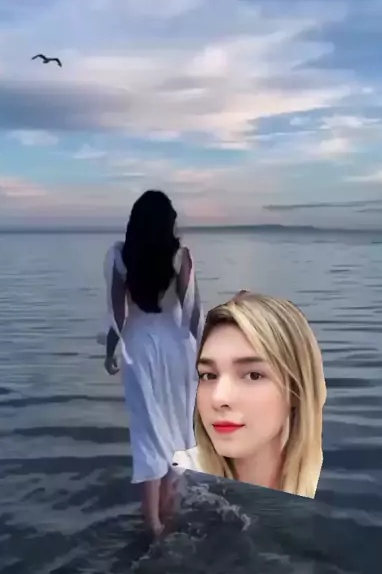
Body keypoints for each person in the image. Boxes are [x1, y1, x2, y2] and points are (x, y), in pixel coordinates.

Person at [103, 190, 204, 538]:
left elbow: (118, 314)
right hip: (178, 350)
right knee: (176, 431)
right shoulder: (180, 256)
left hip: (139, 350)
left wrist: (110, 352)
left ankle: (152, 524)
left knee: (148, 435)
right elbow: (193, 313)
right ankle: (167, 512)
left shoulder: (120, 256)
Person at [173, 290, 326, 499]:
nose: (219, 398)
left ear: (297, 390)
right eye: (209, 375)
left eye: (253, 375)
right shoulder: (177, 483)